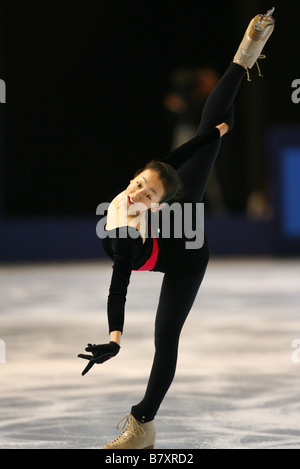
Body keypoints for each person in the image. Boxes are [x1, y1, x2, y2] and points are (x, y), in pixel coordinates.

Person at [78, 9, 275, 449]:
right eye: (137, 184)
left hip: (187, 259)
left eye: (147, 195)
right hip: (173, 226)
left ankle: (142, 422)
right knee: (206, 132)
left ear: (156, 206)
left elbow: (119, 285)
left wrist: (115, 339)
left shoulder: (133, 229)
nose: (136, 193)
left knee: (164, 340)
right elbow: (181, 152)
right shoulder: (125, 202)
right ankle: (242, 62)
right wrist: (214, 136)